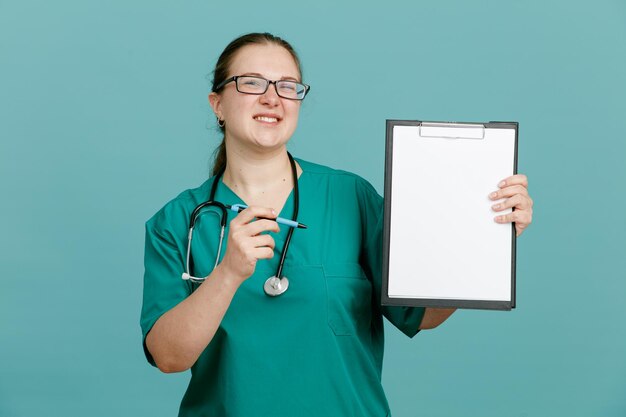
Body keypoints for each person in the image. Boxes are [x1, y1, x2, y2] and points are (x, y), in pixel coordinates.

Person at [140, 32, 533, 416]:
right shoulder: (176, 222)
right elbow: (169, 356)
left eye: (288, 86)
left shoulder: (352, 198)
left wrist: (484, 234)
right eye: (251, 83)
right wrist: (227, 274)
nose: (272, 97)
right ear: (217, 104)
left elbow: (422, 314)